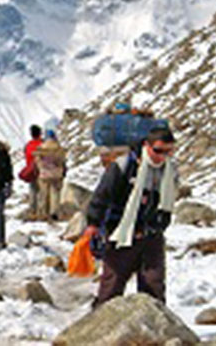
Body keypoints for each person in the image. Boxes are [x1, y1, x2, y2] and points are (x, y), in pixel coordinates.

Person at [83, 127, 179, 307]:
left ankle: (154, 331)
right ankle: (99, 329)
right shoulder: (124, 166)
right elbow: (102, 195)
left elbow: (167, 202)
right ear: (146, 146)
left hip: (151, 235)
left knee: (154, 288)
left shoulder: (170, 170)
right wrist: (93, 224)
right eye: (158, 150)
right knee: (111, 288)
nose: (162, 156)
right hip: (121, 234)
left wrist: (160, 224)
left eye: (168, 151)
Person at [33, 130, 67, 221]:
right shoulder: (59, 148)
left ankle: (43, 212)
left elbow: (37, 161)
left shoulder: (41, 148)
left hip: (44, 173)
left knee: (43, 193)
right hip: (56, 174)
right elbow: (63, 161)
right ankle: (54, 212)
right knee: (55, 193)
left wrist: (39, 168)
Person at [23, 125, 43, 216]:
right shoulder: (42, 144)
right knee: (42, 191)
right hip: (42, 170)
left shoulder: (28, 145)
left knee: (33, 190)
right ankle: (41, 211)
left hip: (31, 171)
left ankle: (32, 210)